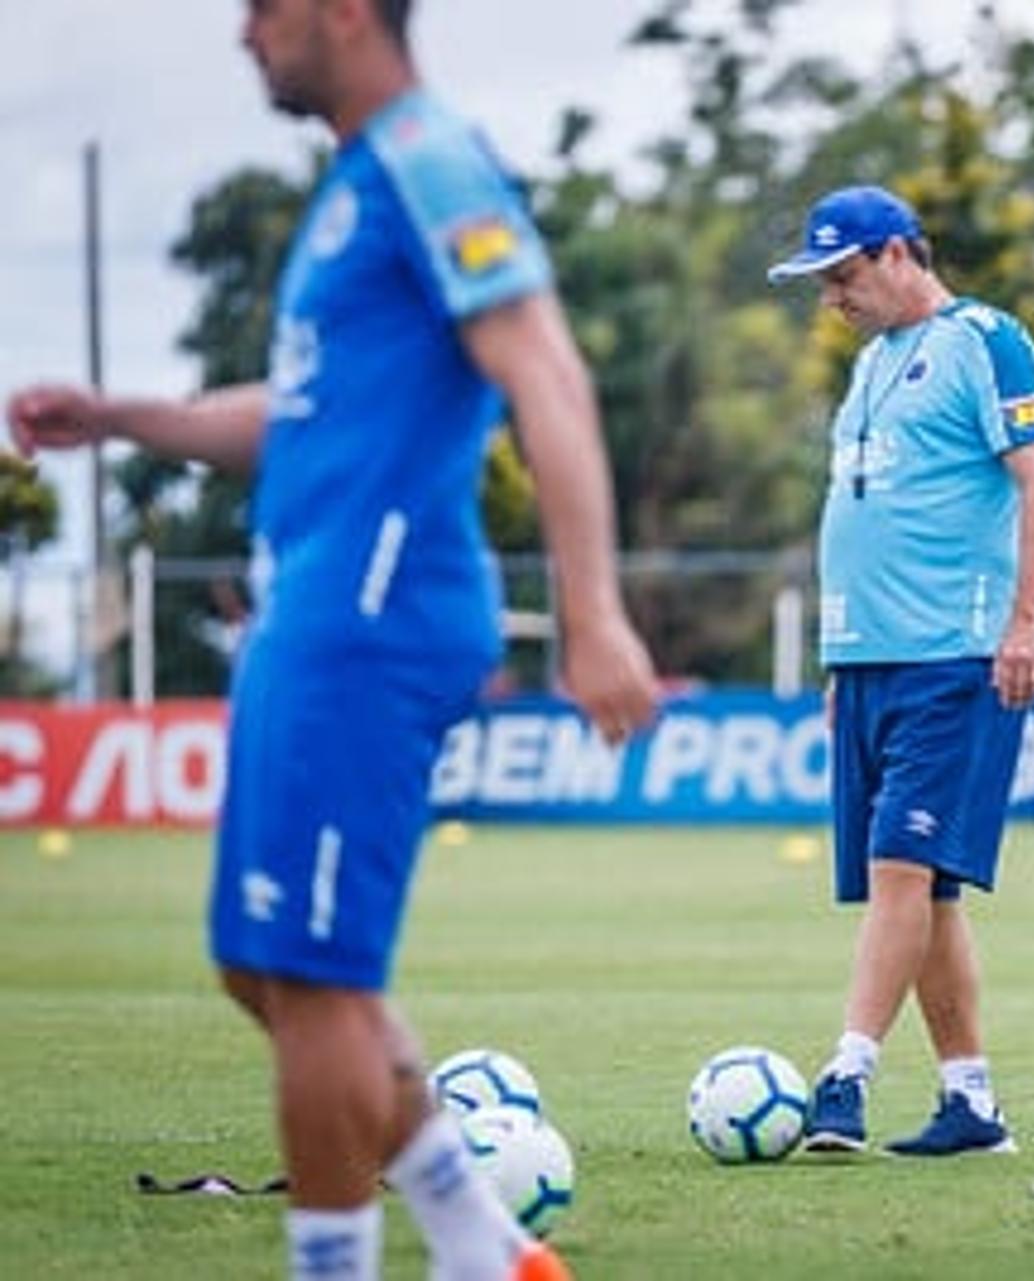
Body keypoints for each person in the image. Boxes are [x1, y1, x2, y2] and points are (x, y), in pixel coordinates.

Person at [6, 3, 659, 1278]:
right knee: (263, 970)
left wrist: (593, 612)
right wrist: (126, 415)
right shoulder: (362, 185)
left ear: (345, 12)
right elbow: (304, 412)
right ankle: (481, 1248)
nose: (244, 34)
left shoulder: (430, 160)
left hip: (373, 611)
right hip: (311, 610)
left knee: (309, 977)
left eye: (263, 7)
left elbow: (547, 372)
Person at [766, 187, 1034, 1156]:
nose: (833, 298)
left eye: (843, 276)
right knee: (924, 894)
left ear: (900, 254)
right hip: (869, 664)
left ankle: (844, 1078)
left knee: (903, 869)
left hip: (955, 655)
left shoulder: (989, 340)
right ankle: (970, 1103)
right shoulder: (869, 366)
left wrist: (1028, 620)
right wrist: (839, 659)